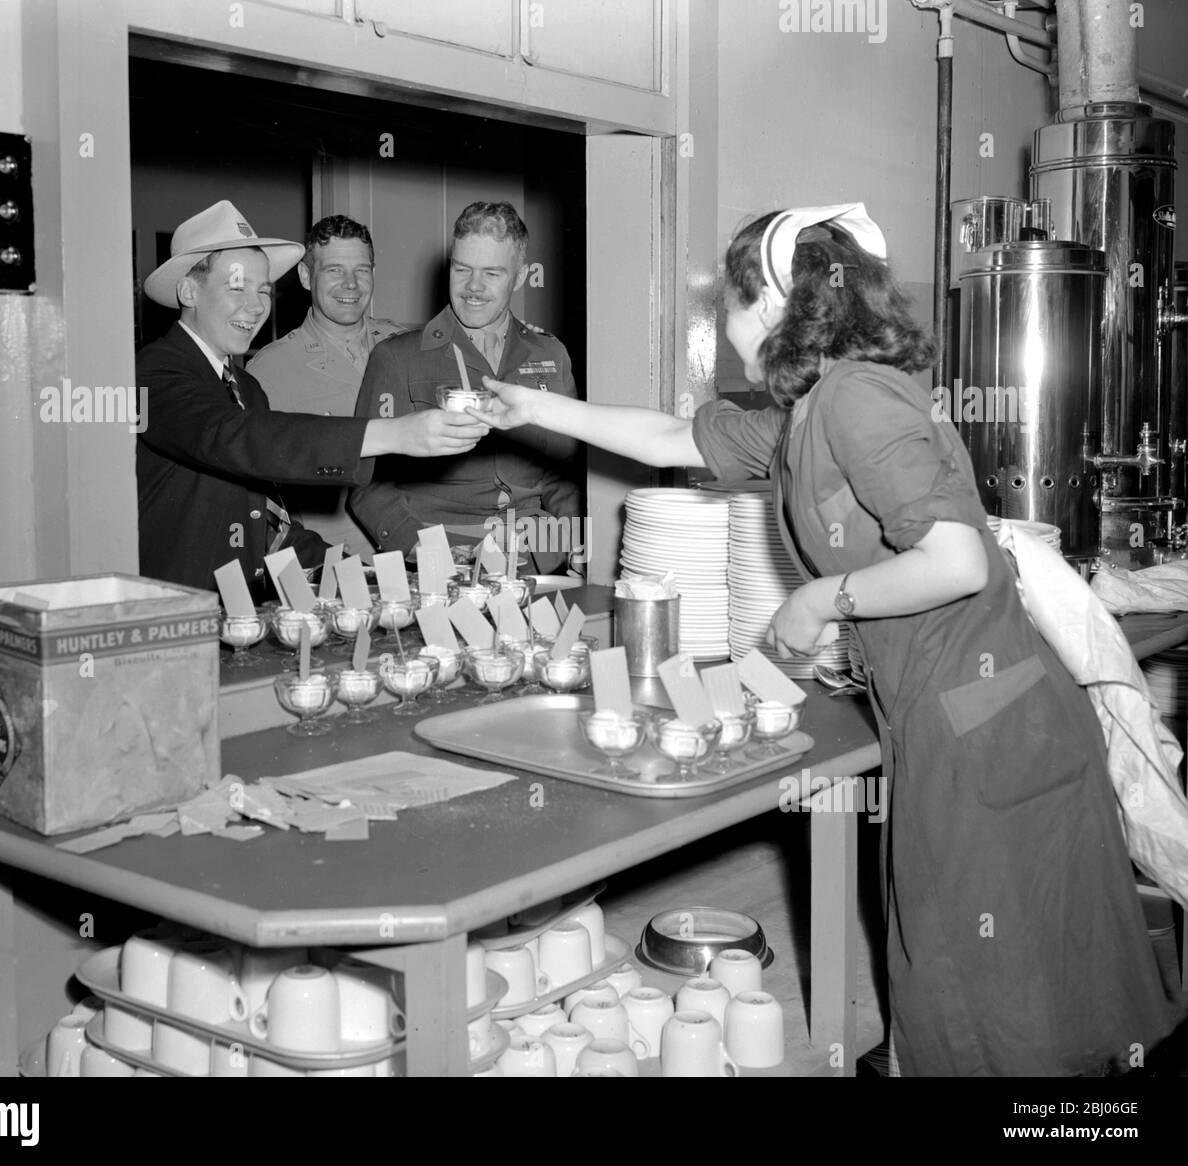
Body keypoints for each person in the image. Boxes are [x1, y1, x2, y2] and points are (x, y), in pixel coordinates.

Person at [472, 203, 1177, 1076]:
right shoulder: (809, 410)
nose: (718, 323)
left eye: (723, 302)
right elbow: (665, 436)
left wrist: (819, 601)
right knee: (975, 981)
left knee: (1007, 998)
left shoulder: (850, 399)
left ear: (768, 302)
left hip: (987, 731)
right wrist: (529, 405)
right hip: (951, 715)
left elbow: (957, 560)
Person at [136, 200, 487, 597]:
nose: (255, 307)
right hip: (175, 613)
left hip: (241, 612)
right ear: (188, 290)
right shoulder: (152, 373)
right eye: (237, 287)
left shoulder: (245, 388)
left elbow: (272, 527)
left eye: (263, 290)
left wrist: (372, 579)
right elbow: (235, 436)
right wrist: (395, 434)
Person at [347, 201, 582, 573]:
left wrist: (573, 546)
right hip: (440, 561)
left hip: (537, 558)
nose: (473, 287)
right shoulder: (397, 357)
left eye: (491, 273)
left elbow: (563, 473)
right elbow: (367, 481)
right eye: (462, 270)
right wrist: (421, 550)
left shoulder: (550, 353)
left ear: (519, 277)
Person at [247, 215, 407, 560]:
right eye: (334, 270)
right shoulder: (269, 371)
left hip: (420, 553)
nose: (350, 284)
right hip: (337, 567)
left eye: (361, 270)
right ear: (306, 276)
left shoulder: (407, 345)